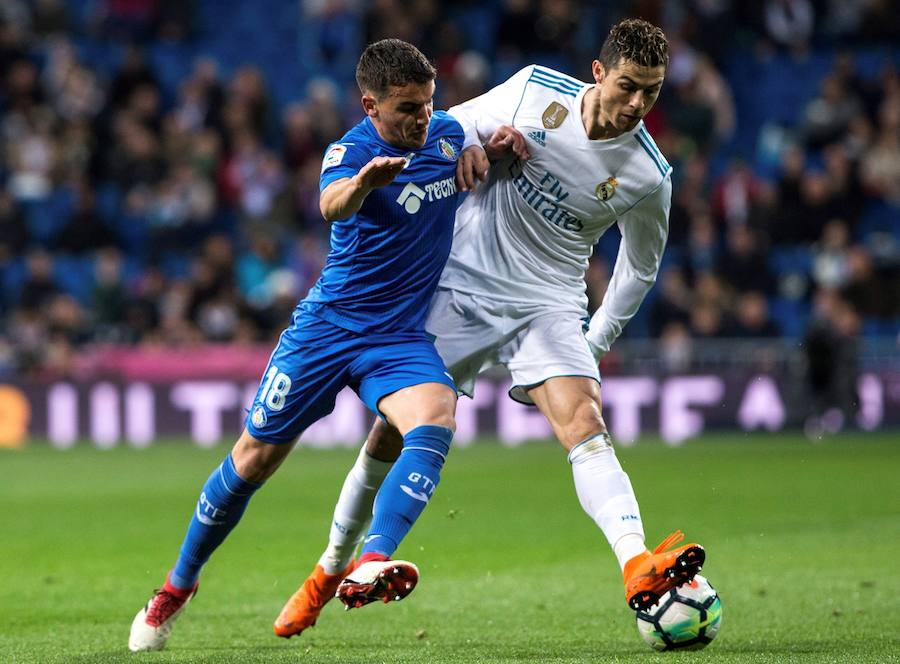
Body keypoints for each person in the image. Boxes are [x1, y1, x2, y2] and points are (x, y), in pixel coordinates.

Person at [274, 18, 706, 639]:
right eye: (629, 86)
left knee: (585, 421)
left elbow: (640, 269)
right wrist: (477, 144)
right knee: (390, 436)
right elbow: (451, 123)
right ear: (599, 73)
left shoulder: (648, 176)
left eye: (653, 92)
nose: (638, 104)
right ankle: (330, 569)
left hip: (549, 300)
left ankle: (637, 565)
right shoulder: (533, 92)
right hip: (464, 282)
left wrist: (594, 342)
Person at [129, 39, 466, 652]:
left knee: (437, 416)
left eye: (427, 104)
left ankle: (372, 561)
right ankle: (176, 588)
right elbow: (330, 202)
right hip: (326, 330)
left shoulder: (447, 135)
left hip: (395, 337)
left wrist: (500, 146)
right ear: (370, 105)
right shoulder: (352, 151)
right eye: (406, 109)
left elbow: (494, 129)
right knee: (253, 458)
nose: (421, 118)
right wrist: (365, 183)